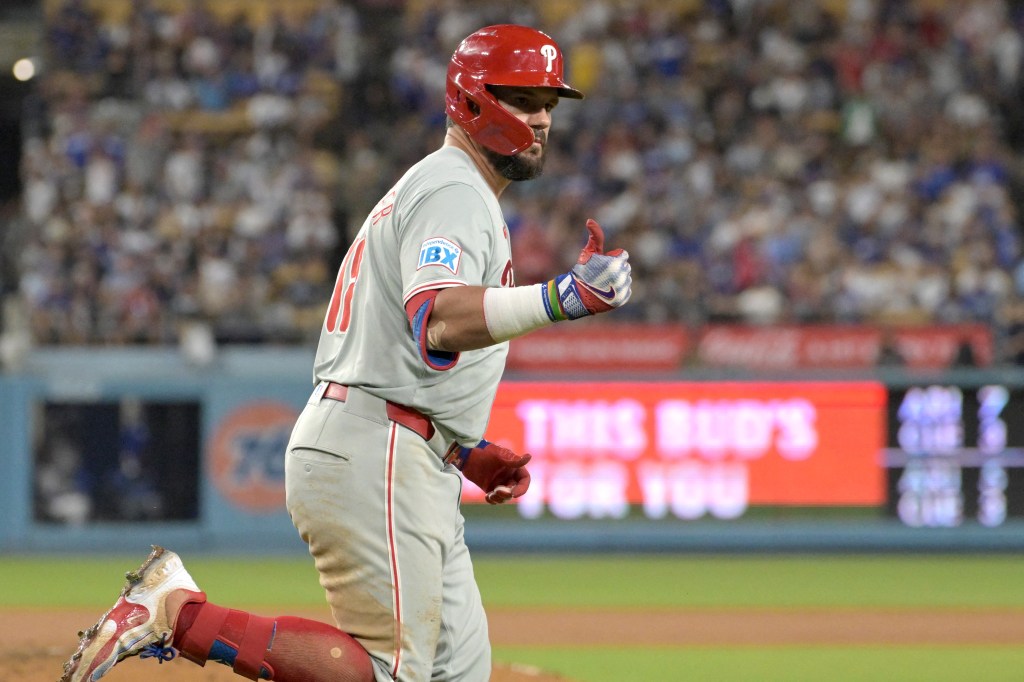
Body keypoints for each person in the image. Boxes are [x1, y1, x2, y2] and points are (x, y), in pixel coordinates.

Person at [59, 24, 631, 682]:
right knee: (392, 672)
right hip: (377, 443)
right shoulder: (454, 189)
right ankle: (175, 614)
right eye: (526, 99)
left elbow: (395, 341)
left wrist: (460, 445)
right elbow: (436, 319)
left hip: (395, 438)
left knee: (458, 674)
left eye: (550, 106)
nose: (541, 120)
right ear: (475, 100)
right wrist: (564, 298)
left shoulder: (449, 190)